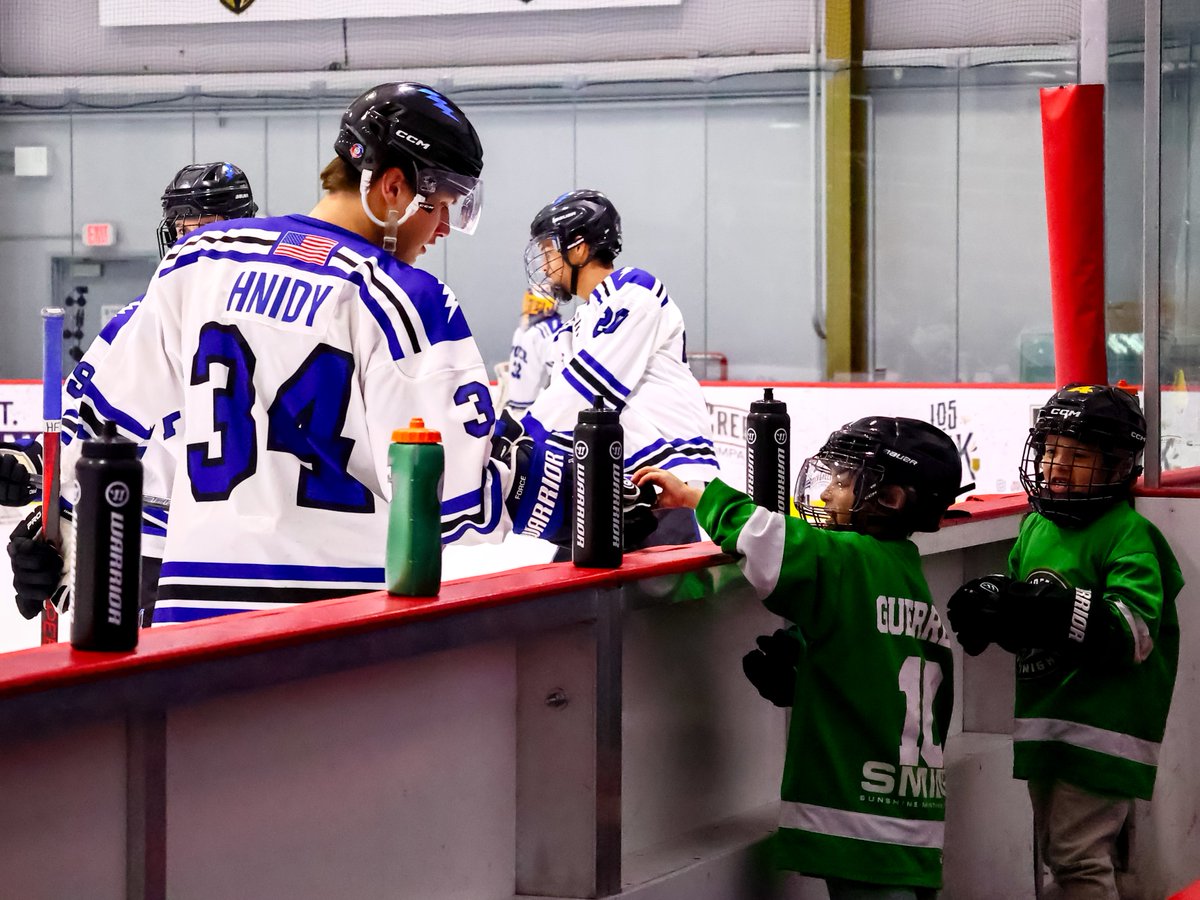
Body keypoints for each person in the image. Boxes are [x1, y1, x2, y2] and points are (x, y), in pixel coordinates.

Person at [28, 82, 514, 624]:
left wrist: (53, 531)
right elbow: (457, 503)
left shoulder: (197, 264)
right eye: (442, 205)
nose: (442, 228)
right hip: (344, 634)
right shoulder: (405, 298)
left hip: (189, 631)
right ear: (394, 188)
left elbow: (96, 431)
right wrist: (541, 470)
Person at [634, 416, 969, 899]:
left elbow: (768, 540)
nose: (827, 491)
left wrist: (697, 496)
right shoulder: (902, 570)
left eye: (844, 481)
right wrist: (812, 673)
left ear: (891, 499)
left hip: (861, 809)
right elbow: (874, 670)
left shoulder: (848, 560)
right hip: (910, 810)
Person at [946, 384, 1184, 900]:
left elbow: (1134, 632)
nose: (1055, 465)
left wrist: (1049, 608)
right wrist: (997, 615)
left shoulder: (1127, 533)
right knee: (1073, 858)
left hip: (1104, 730)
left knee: (1076, 861)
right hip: (1048, 723)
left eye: (1076, 456)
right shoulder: (1035, 526)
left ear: (1120, 464)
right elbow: (1035, 627)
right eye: (1051, 450)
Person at [5, 162, 259, 628]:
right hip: (150, 560)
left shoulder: (281, 322)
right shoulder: (141, 325)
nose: (195, 245)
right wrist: (49, 522)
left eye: (211, 230)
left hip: (261, 559)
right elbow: (80, 435)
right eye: (186, 230)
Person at [518, 189, 717, 548]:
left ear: (578, 248)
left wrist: (522, 434)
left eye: (550, 250)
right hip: (610, 487)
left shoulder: (635, 291)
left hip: (662, 488)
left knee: (662, 602)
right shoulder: (574, 327)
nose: (546, 266)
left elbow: (595, 387)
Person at [502, 289, 564, 417]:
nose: (530, 309)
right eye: (529, 303)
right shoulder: (521, 330)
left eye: (536, 305)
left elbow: (558, 376)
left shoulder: (550, 332)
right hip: (514, 406)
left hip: (535, 410)